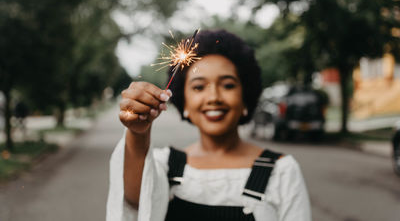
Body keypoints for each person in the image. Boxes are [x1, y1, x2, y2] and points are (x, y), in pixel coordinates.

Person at [107, 30, 311, 221]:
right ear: (183, 101)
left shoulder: (282, 171)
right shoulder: (165, 165)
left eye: (228, 85)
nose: (213, 97)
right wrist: (137, 132)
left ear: (245, 98)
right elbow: (137, 201)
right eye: (198, 87)